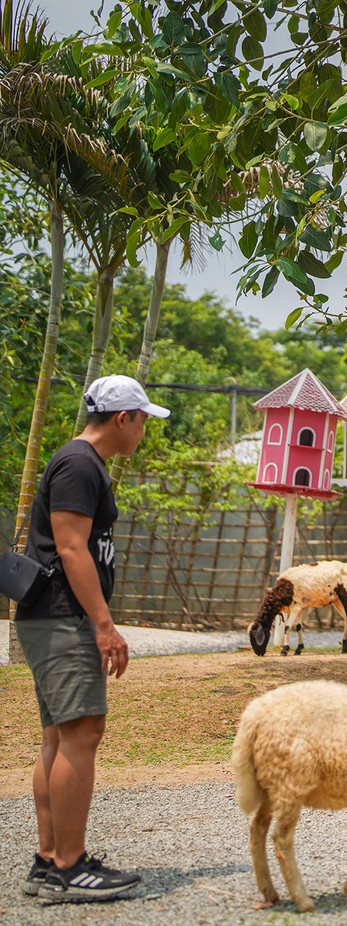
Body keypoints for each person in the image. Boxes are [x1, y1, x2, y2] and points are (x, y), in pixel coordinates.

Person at [15, 374, 169, 903]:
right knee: (81, 734)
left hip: (53, 616)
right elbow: (72, 548)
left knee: (60, 736)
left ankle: (49, 859)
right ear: (123, 418)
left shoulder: (81, 463)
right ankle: (68, 867)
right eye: (144, 419)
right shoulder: (80, 464)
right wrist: (104, 625)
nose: (145, 429)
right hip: (64, 617)